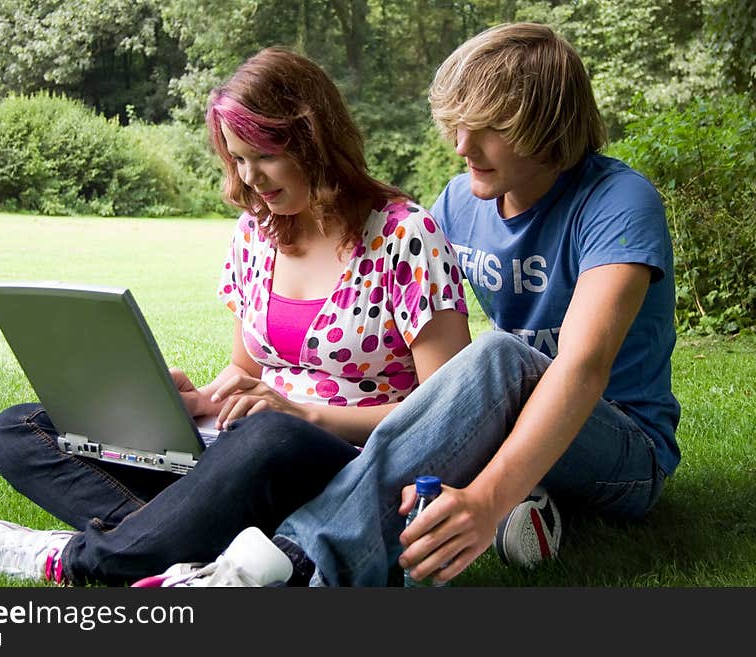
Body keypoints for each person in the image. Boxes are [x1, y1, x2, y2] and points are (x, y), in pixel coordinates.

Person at [140, 22, 681, 587]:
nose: (462, 146)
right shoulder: (462, 200)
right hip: (517, 419)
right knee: (491, 370)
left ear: (547, 126)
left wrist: (485, 502)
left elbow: (582, 368)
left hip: (624, 447)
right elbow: (397, 276)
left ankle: (300, 564)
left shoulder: (618, 203)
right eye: (458, 126)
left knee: (502, 356)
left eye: (489, 129)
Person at [0, 47, 471, 586]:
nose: (250, 177)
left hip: (342, 462)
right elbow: (247, 371)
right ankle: (190, 548)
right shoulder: (256, 234)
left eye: (264, 155)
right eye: (237, 159)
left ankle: (76, 558)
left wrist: (305, 415)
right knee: (20, 429)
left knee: (271, 437)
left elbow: (443, 415)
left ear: (314, 139)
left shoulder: (405, 235)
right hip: (244, 452)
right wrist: (192, 403)